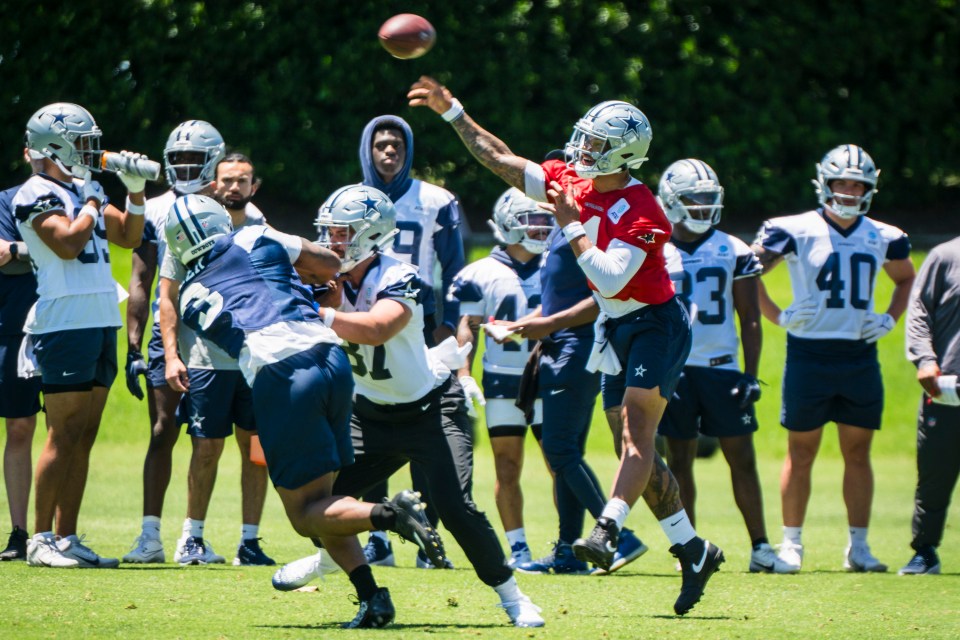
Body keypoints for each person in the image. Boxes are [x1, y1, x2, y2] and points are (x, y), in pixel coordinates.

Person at [408, 79, 723, 615]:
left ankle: (606, 531)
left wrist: (572, 223)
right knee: (633, 448)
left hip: (654, 323)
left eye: (596, 143)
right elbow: (502, 159)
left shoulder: (645, 209)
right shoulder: (576, 179)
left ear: (623, 152)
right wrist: (453, 112)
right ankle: (693, 549)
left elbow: (609, 278)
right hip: (618, 328)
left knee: (636, 436)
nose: (583, 150)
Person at [162, 193, 445, 628]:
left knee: (304, 515)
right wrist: (305, 282)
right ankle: (372, 597)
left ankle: (390, 513)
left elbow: (245, 306)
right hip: (331, 356)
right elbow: (329, 263)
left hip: (283, 374)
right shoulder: (257, 236)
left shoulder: (191, 296)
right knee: (326, 502)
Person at [283, 184, 544, 628]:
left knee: (456, 508)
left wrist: (322, 314)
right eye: (328, 232)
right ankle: (331, 564)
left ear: (370, 235)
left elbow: (378, 328)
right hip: (368, 414)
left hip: (431, 409)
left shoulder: (398, 275)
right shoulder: (320, 279)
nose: (330, 243)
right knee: (320, 504)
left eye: (341, 233)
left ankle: (512, 595)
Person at [752, 144, 915, 573]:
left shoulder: (885, 235)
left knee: (858, 451)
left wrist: (889, 320)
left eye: (857, 183)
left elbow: (905, 280)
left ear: (870, 187)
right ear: (824, 182)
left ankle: (858, 548)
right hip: (808, 352)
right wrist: (778, 316)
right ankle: (792, 545)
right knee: (800, 450)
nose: (848, 190)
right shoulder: (793, 229)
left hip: (860, 354)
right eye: (841, 181)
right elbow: (746, 271)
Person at [14, 103, 146, 568]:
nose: (89, 151)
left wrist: (134, 194)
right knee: (61, 432)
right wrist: (91, 200)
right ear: (55, 145)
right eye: (82, 141)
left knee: (84, 434)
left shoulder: (79, 188)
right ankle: (40, 539)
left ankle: (67, 536)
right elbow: (68, 243)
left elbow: (128, 237)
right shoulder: (35, 192)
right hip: (63, 321)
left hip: (97, 318)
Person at [655, 158, 789, 573]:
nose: (702, 206)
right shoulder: (655, 249)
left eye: (708, 198)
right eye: (693, 199)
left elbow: (749, 315)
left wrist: (750, 372)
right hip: (675, 368)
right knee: (680, 460)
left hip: (721, 366)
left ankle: (761, 547)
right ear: (672, 202)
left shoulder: (733, 248)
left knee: (741, 458)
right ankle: (689, 550)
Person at [151, 144, 275, 566]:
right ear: (212, 183)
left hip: (257, 358)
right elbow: (165, 297)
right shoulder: (187, 226)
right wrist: (172, 355)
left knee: (256, 449)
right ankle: (192, 538)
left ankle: (251, 541)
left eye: (243, 180)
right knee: (206, 448)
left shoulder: (263, 229)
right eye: (227, 180)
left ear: (254, 186)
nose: (235, 187)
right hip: (206, 358)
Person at [356, 115, 466, 566]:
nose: (389, 151)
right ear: (367, 149)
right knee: (366, 426)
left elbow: (456, 271)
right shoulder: (351, 200)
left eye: (397, 145)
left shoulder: (436, 200)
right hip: (364, 324)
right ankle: (378, 534)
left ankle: (428, 532)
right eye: (381, 144)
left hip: (420, 326)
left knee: (427, 429)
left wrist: (448, 325)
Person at [446, 187, 553, 567]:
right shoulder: (479, 273)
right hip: (502, 380)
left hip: (548, 377)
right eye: (534, 219)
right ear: (510, 223)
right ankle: (519, 548)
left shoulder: (557, 264)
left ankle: (567, 543)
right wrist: (464, 374)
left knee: (559, 463)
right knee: (507, 466)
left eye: (545, 219)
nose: (543, 227)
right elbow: (467, 325)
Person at [900, 235, 960, 575]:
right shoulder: (945, 256)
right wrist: (924, 359)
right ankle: (925, 551)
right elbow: (919, 312)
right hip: (948, 387)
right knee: (935, 474)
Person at [0, 150, 45, 560]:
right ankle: (18, 532)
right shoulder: (6, 199)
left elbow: (80, 248)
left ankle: (55, 534)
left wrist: (18, 250)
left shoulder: (81, 197)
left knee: (69, 429)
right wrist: (30, 249)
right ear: (27, 152)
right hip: (12, 326)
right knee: (19, 426)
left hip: (68, 323)